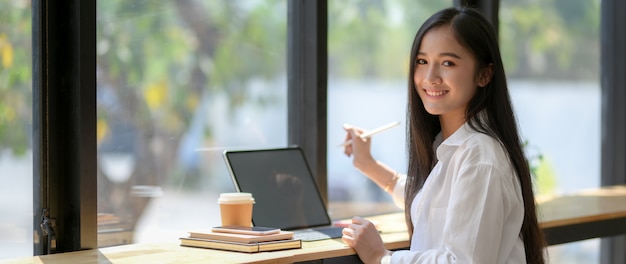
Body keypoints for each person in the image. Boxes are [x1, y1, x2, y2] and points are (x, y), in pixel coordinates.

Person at [341, 7, 546, 264]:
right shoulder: (454, 147)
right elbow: (432, 200)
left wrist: (381, 257)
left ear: (484, 74)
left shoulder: (480, 156)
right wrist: (367, 165)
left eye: (447, 63)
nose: (430, 77)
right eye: (422, 61)